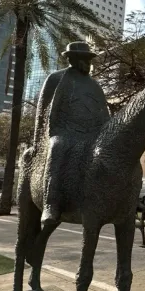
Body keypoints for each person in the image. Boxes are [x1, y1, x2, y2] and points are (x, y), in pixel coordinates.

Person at [34, 41, 110, 227]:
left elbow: (104, 113)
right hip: (64, 131)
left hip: (93, 134)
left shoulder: (94, 85)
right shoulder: (56, 78)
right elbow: (42, 110)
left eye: (88, 59)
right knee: (58, 147)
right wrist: (38, 139)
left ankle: (121, 198)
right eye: (83, 58)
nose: (87, 62)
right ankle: (51, 203)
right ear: (72, 59)